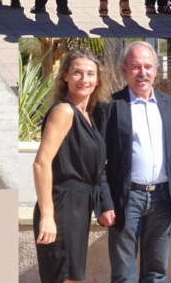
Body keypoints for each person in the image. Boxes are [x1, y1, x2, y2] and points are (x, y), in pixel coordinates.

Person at [97, 41, 171, 283]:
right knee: (122, 273)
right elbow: (98, 163)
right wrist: (105, 204)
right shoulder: (110, 106)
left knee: (157, 272)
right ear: (123, 70)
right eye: (135, 66)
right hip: (127, 199)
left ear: (156, 70)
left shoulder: (170, 105)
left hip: (163, 199)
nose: (142, 73)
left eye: (148, 66)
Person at [32, 49, 109, 283]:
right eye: (77, 73)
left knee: (70, 277)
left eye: (90, 74)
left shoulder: (88, 116)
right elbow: (41, 163)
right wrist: (47, 215)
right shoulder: (65, 111)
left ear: (97, 81)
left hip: (78, 207)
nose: (84, 80)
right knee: (63, 277)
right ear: (65, 76)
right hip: (62, 204)